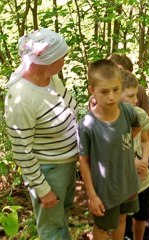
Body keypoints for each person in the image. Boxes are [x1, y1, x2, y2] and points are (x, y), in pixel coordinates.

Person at [5, 28, 78, 239]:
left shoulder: (52, 80)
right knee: (52, 230)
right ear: (49, 59)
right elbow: (22, 151)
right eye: (62, 56)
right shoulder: (21, 97)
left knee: (60, 217)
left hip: (66, 164)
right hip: (49, 171)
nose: (65, 60)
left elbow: (68, 110)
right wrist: (43, 189)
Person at [77, 59, 141, 240]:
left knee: (122, 220)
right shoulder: (88, 125)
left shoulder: (127, 111)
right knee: (104, 228)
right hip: (104, 190)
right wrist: (92, 196)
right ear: (92, 91)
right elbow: (83, 161)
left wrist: (119, 146)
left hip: (126, 182)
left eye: (116, 90)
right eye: (104, 92)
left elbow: (136, 127)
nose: (111, 97)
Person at [120, 70, 149, 240]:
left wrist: (144, 160)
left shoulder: (139, 114)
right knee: (122, 216)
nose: (135, 100)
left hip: (143, 179)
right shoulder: (109, 121)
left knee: (141, 215)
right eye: (131, 95)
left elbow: (146, 139)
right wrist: (132, 164)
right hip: (122, 181)